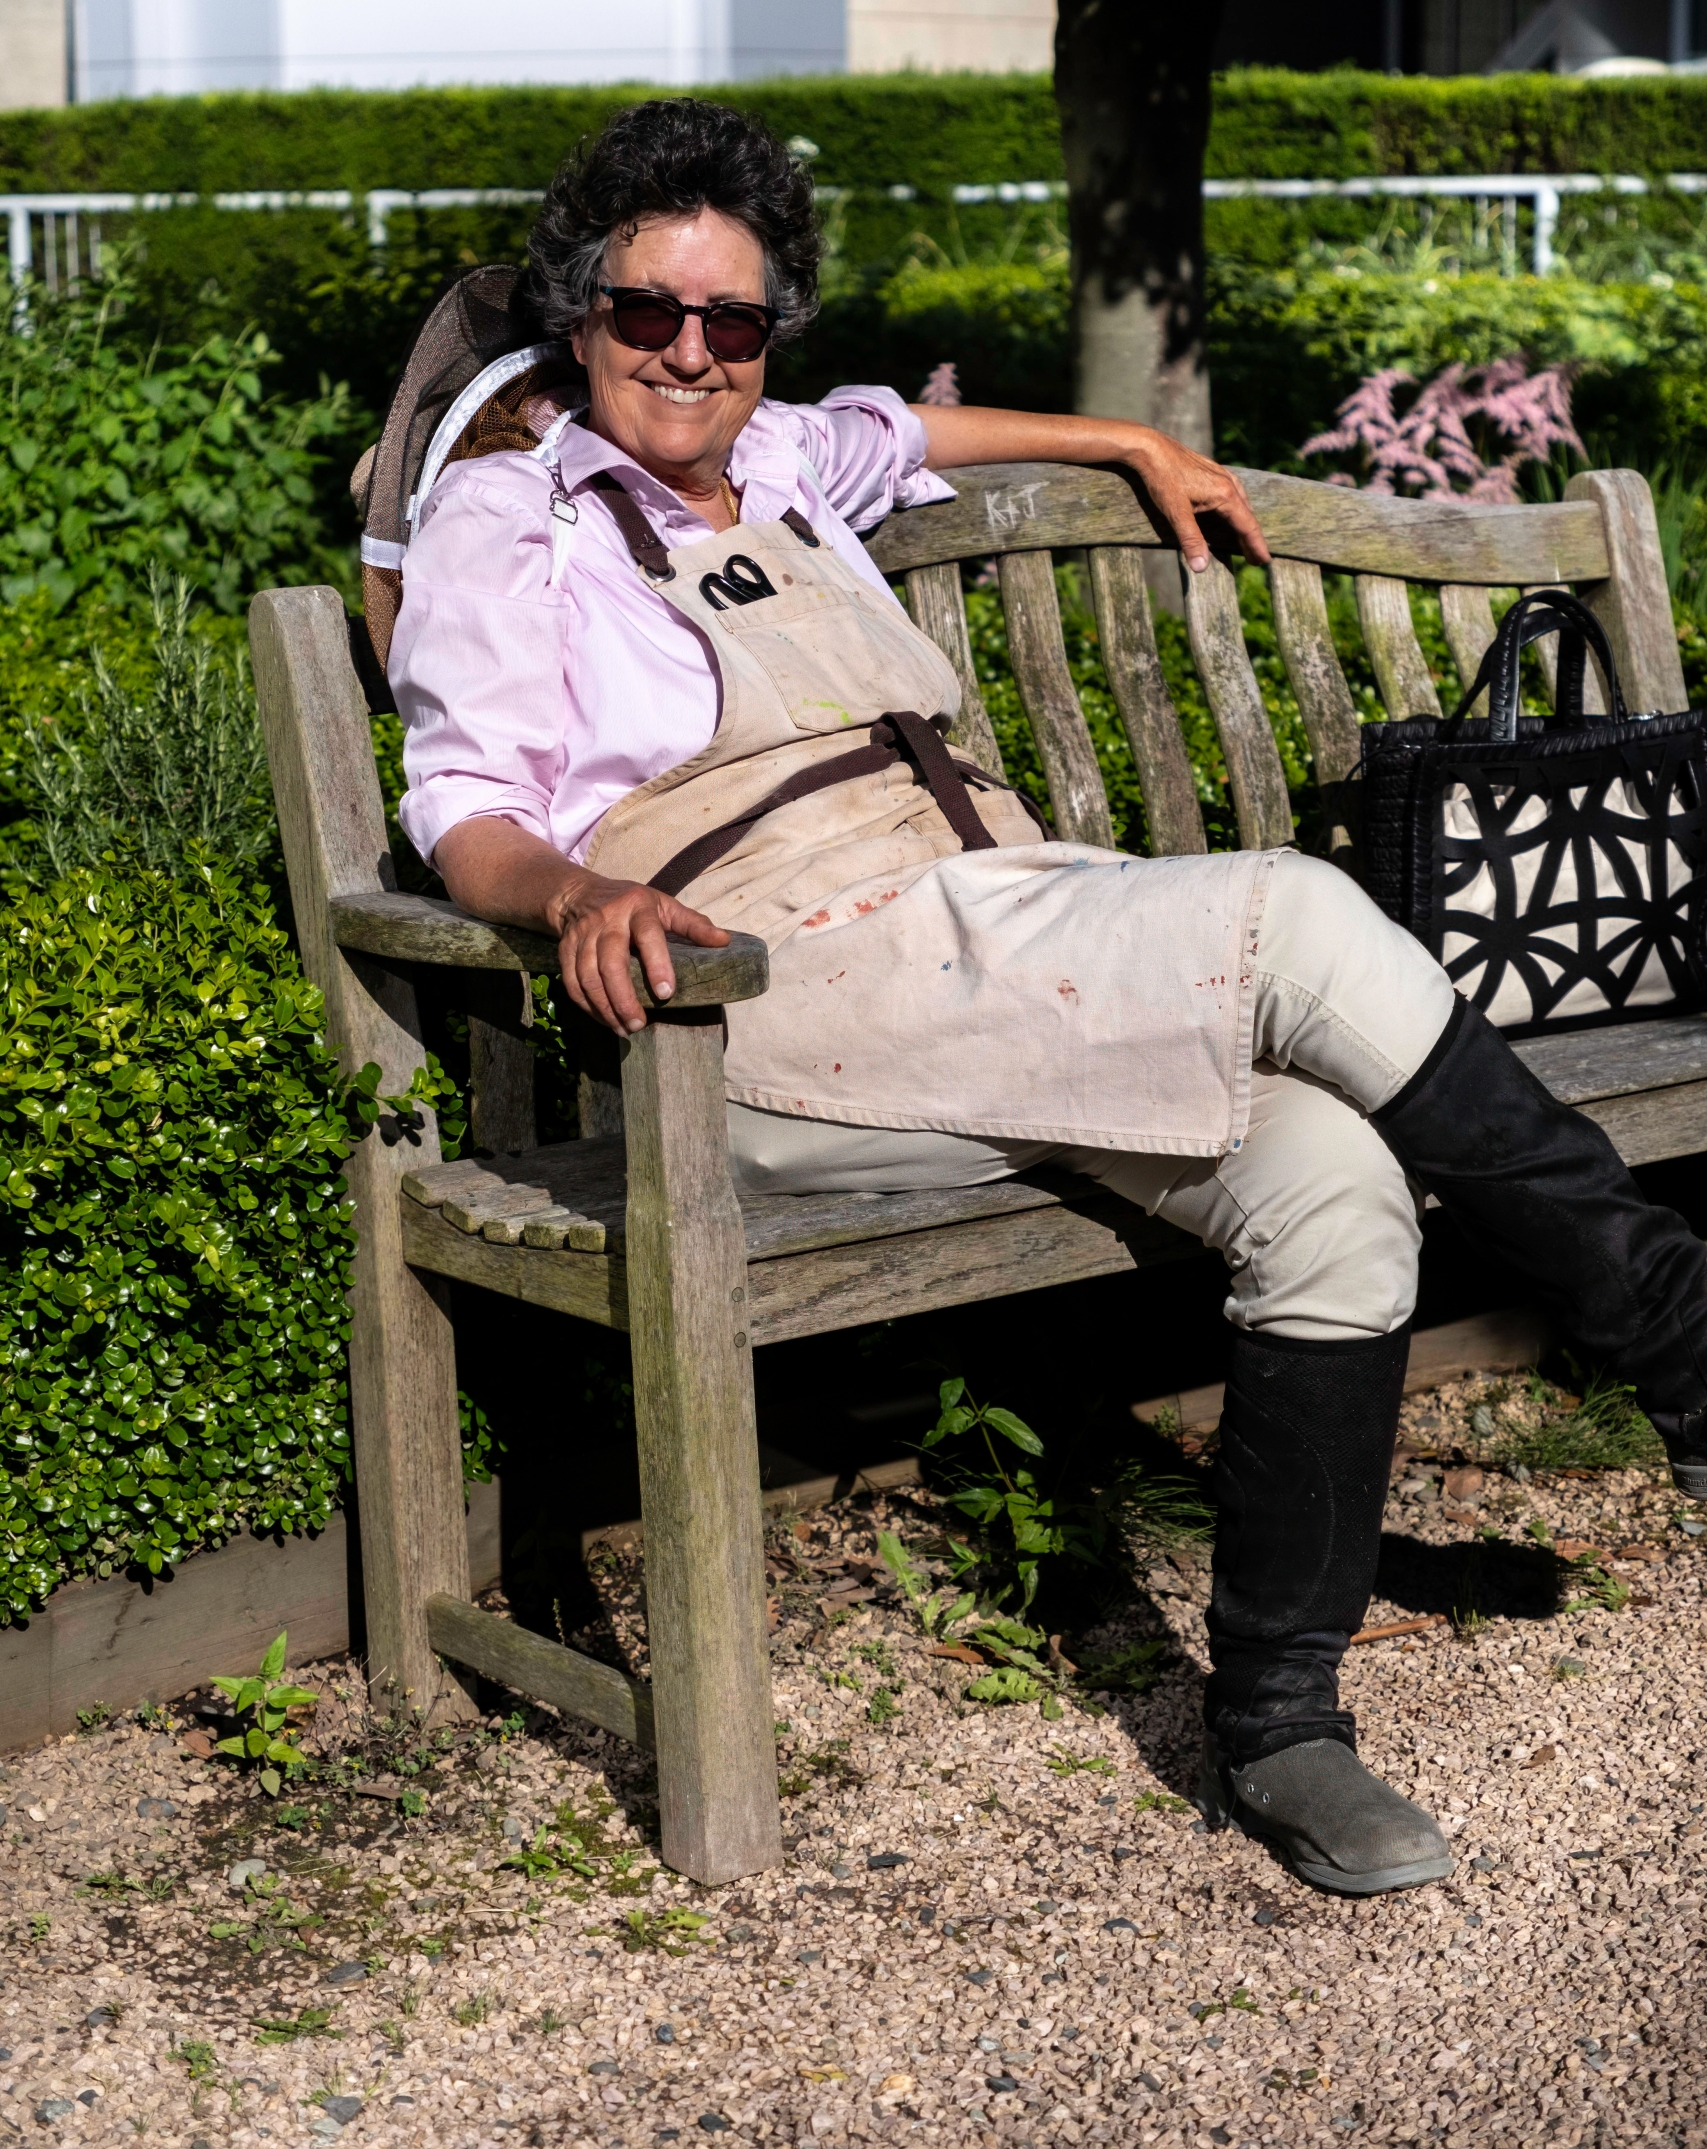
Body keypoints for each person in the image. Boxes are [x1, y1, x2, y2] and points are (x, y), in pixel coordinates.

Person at [387, 98, 1707, 1899]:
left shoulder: (779, 459)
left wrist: (1130, 438)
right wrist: (573, 893)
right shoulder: (509, 514)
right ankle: (1671, 1328)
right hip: (769, 1001)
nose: (691, 354)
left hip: (990, 935)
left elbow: (905, 427)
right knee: (1300, 918)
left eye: (736, 321)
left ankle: (1283, 1727)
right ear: (580, 313)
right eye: (647, 315)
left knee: (1332, 1194)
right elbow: (463, 801)